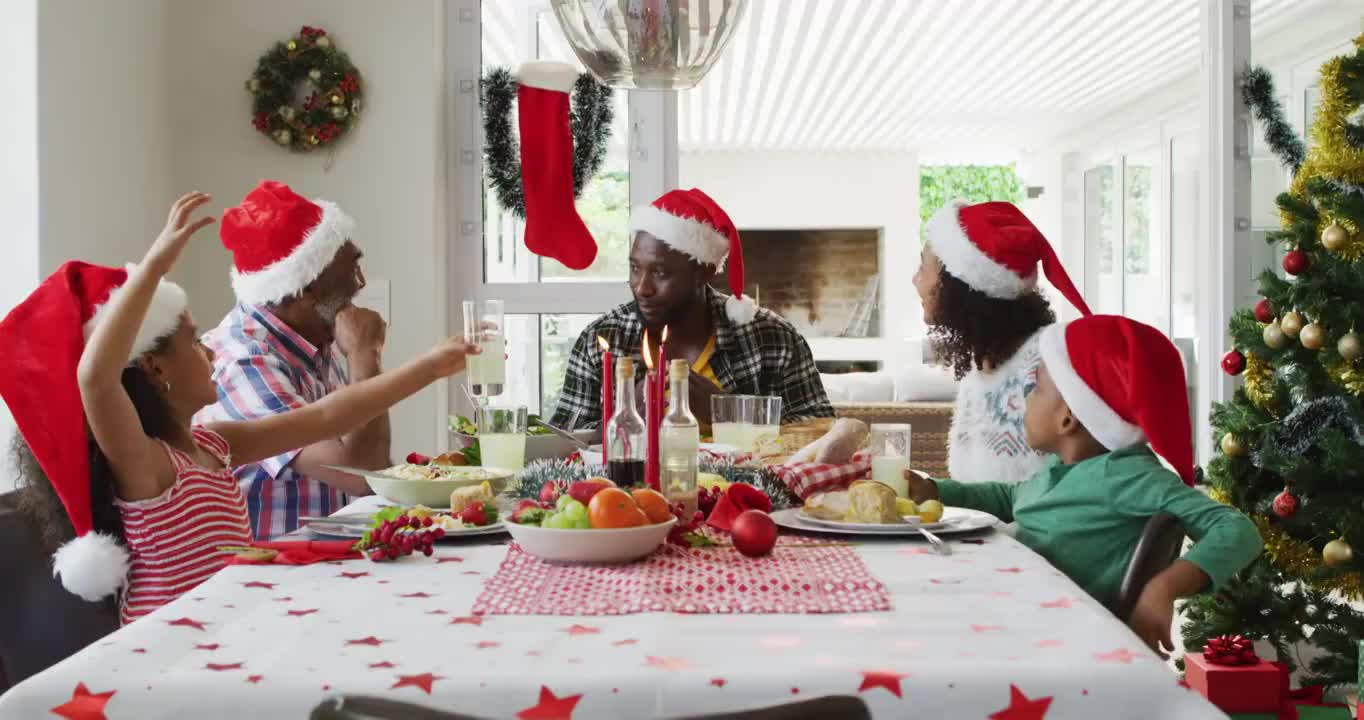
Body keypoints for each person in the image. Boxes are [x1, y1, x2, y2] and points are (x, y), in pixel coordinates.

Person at [0, 193, 479, 623]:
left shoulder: (217, 444)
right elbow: (94, 378)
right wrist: (152, 269)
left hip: (230, 630)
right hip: (170, 659)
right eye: (192, 341)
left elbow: (333, 414)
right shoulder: (146, 468)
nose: (210, 350)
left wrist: (432, 367)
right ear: (153, 367)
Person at [905, 314, 1262, 655]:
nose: (1026, 397)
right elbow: (1011, 497)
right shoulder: (1063, 468)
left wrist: (1164, 587)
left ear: (1068, 417)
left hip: (1056, 640)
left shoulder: (1126, 476)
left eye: (1037, 388)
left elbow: (1237, 529)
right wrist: (934, 490)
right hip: (1021, 613)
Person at [196, 180, 389, 539]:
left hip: (329, 564)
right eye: (351, 269)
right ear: (306, 289)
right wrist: (366, 357)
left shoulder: (311, 336)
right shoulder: (244, 362)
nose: (360, 283)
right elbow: (362, 473)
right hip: (270, 580)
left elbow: (372, 463)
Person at [551, 188, 834, 431]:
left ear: (704, 272)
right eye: (635, 268)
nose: (641, 287)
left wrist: (727, 414)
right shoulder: (601, 341)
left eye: (660, 273)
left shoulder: (772, 338)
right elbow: (563, 443)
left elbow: (822, 434)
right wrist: (623, 420)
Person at [913, 200, 1092, 485]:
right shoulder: (979, 371)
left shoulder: (1049, 365)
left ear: (957, 287)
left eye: (923, 269)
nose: (915, 280)